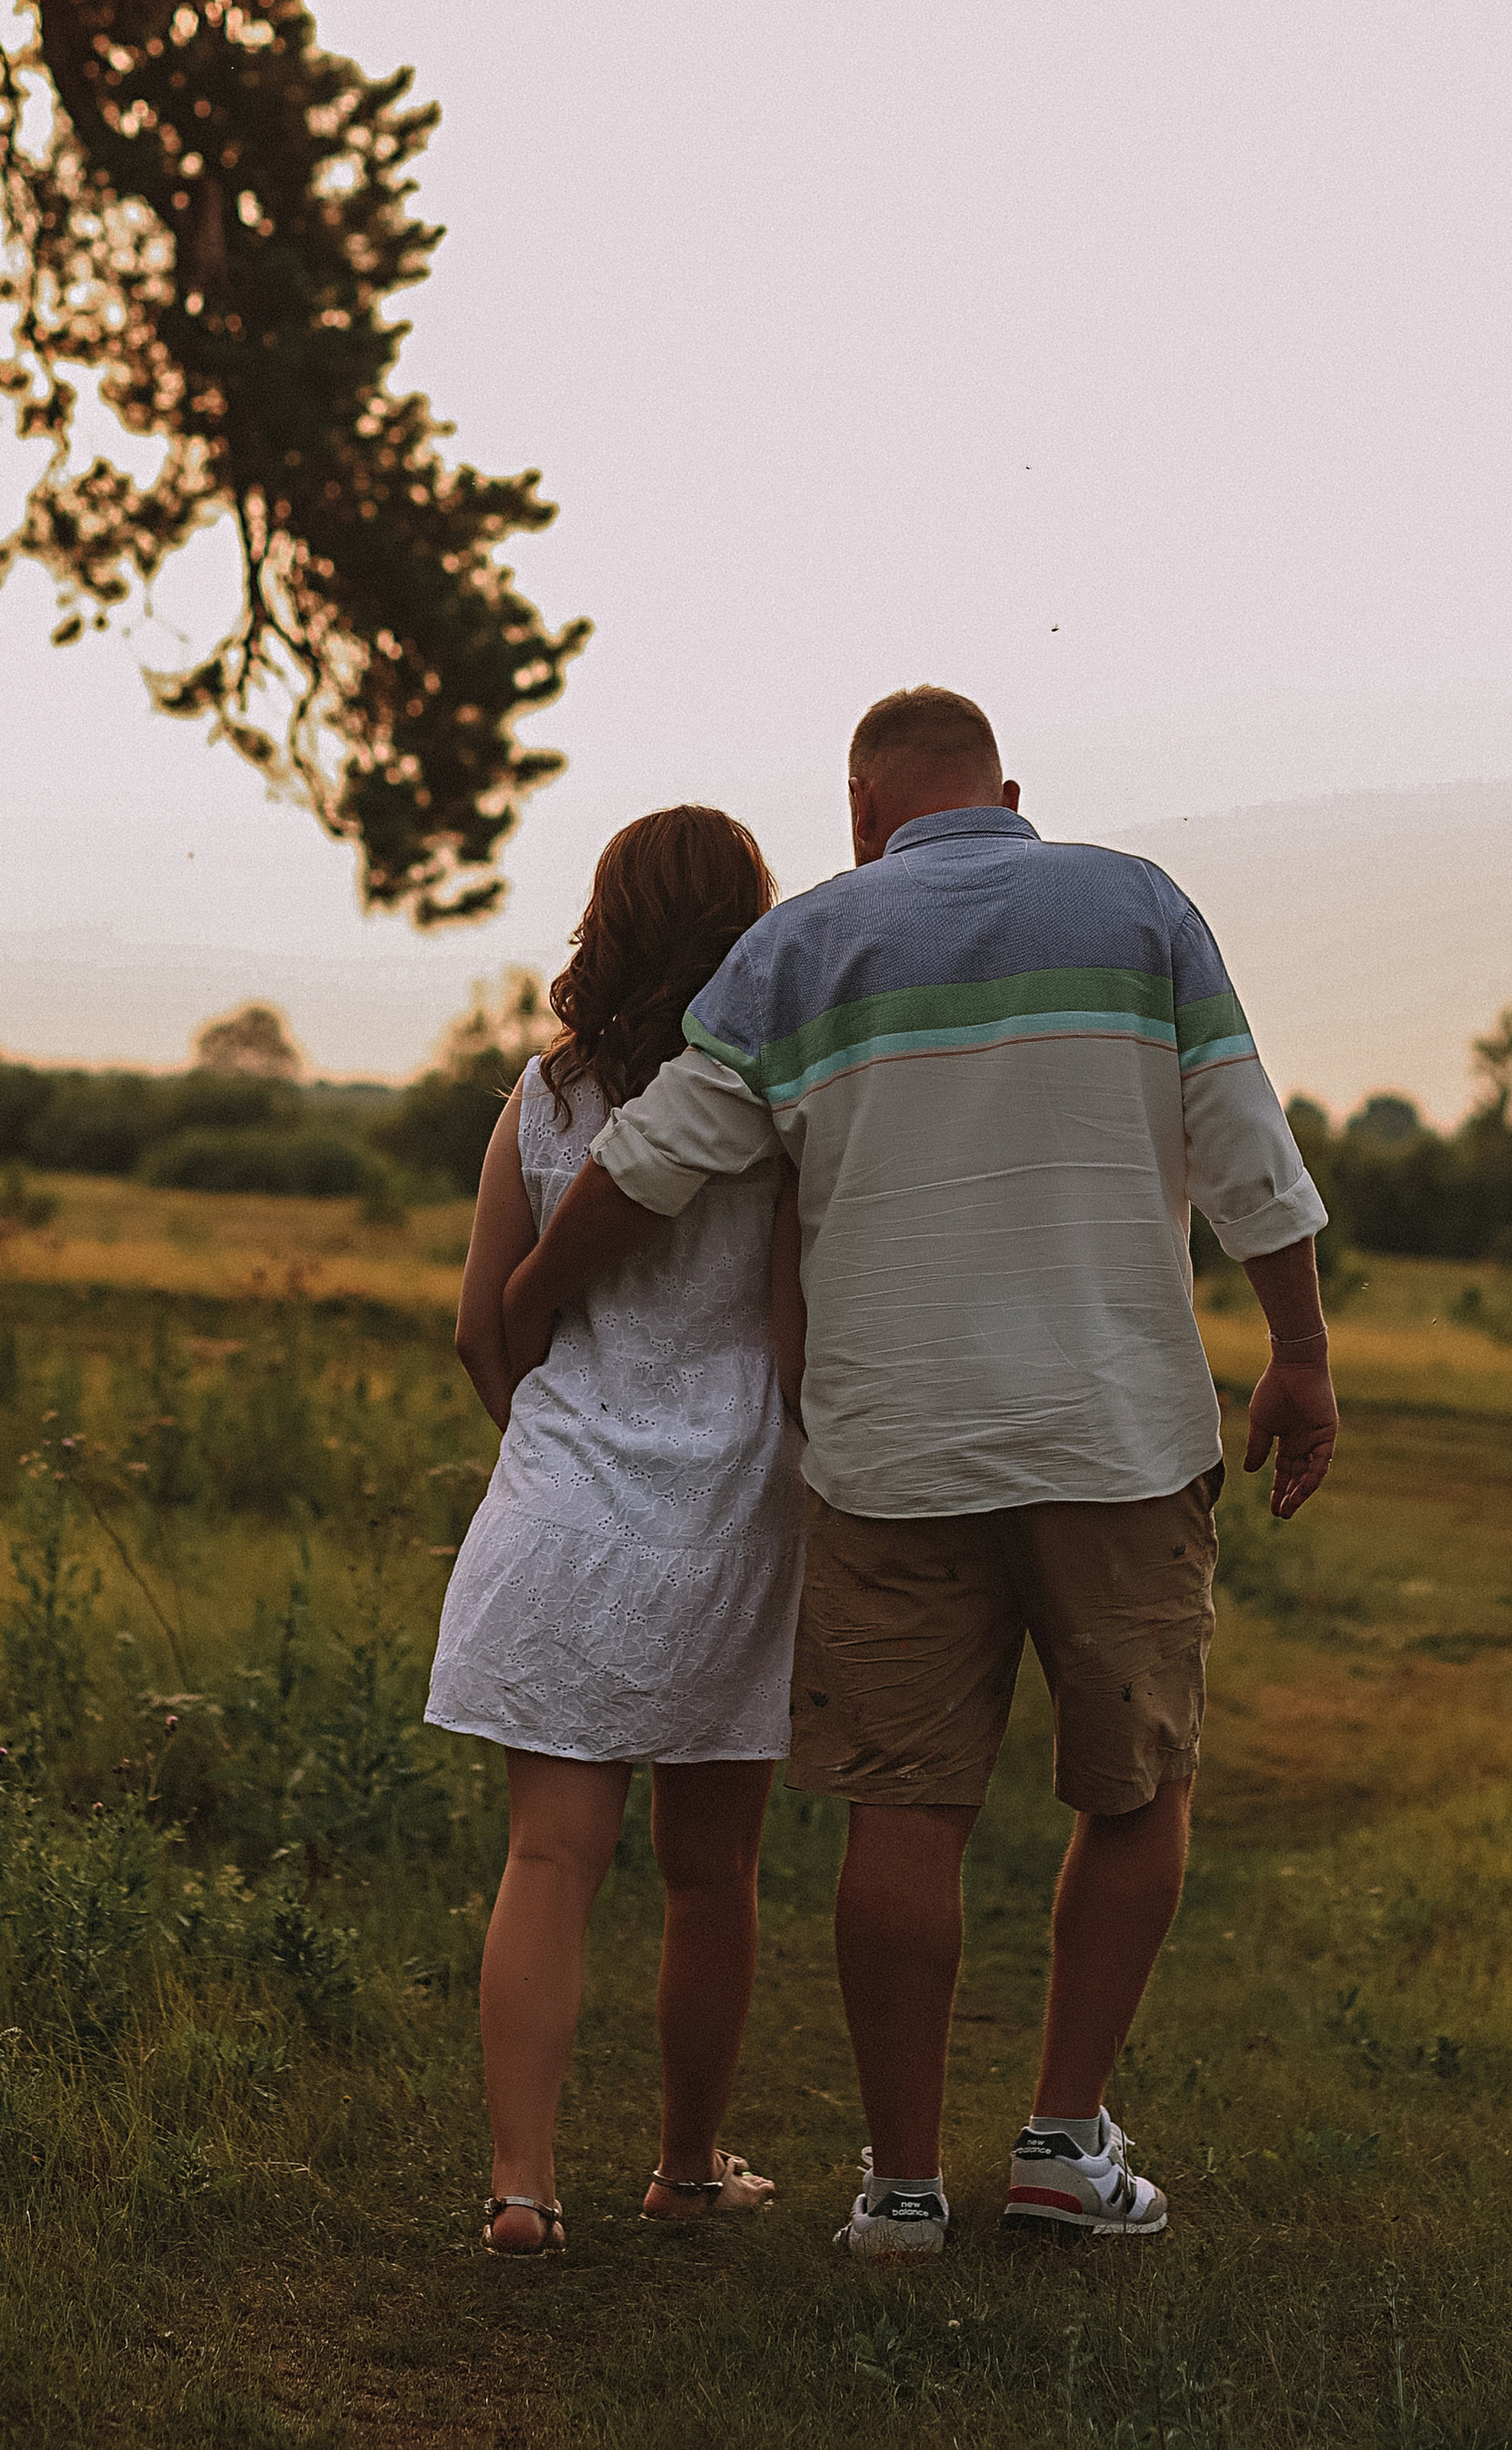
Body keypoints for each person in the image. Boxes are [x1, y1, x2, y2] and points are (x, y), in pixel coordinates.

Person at [503, 687, 1339, 2258]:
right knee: (1137, 1784)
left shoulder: (811, 941)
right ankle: (1060, 2144)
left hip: (892, 1453)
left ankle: (897, 2188)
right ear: (1009, 791)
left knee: (908, 1808)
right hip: (1116, 1440)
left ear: (863, 813)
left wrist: (534, 1295)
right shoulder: (1140, 904)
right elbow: (1245, 1145)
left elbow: (659, 1156)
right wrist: (1296, 1352)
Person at [428, 804, 806, 2256]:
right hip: (731, 1507)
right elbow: (789, 1339)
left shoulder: (540, 1098)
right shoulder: (775, 1109)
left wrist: (552, 1457)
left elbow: (482, 1329)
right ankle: (687, 2168)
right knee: (711, 1878)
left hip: (564, 1502)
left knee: (547, 1862)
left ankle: (522, 2188)